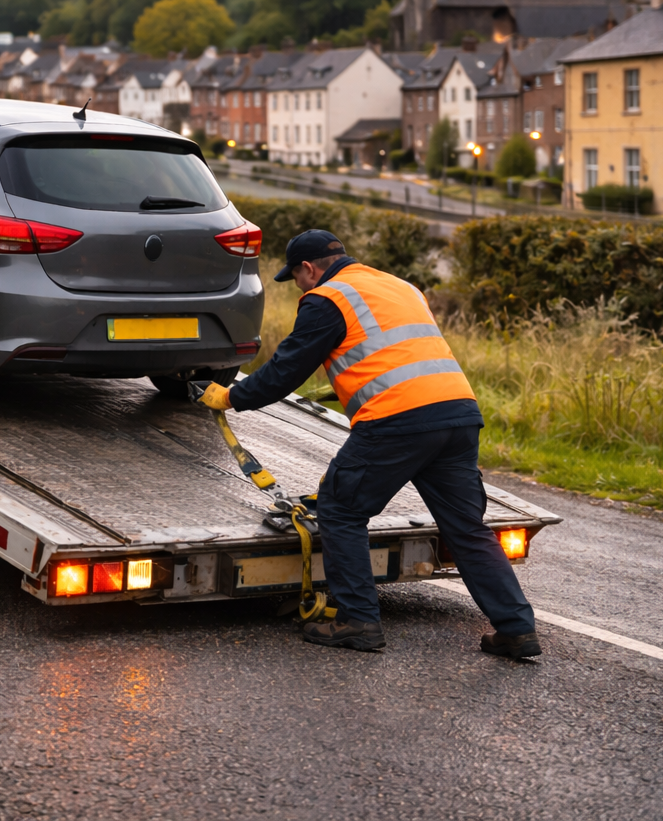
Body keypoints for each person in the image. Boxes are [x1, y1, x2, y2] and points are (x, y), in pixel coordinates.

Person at [198, 229, 540, 657]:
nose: (300, 287)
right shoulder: (399, 285)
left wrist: (231, 396)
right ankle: (517, 629)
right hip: (458, 415)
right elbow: (395, 353)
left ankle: (357, 621)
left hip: (397, 421)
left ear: (308, 268)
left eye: (298, 278)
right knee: (467, 529)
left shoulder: (328, 298)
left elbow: (286, 370)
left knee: (341, 509)